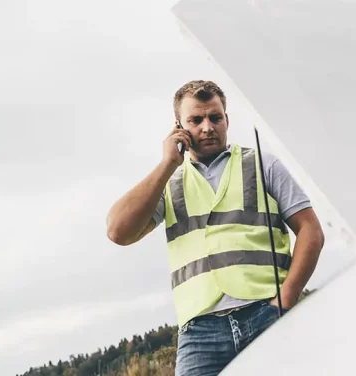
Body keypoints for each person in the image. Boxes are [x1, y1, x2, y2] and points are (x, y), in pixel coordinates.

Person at [105, 80, 325, 375]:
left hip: (265, 312)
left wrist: (286, 298)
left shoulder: (262, 163)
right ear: (178, 128)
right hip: (200, 332)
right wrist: (166, 164)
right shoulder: (167, 184)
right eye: (195, 120)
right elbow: (118, 231)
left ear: (227, 120)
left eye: (215, 117)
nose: (207, 127)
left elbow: (311, 230)